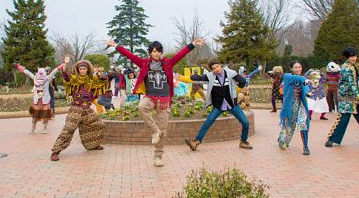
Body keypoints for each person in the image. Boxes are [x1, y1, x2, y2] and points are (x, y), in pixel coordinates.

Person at [107, 38, 204, 167]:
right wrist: (117, 46)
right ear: (150, 53)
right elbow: (129, 55)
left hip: (164, 100)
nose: (156, 54)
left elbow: (180, 54)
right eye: (154, 51)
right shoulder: (144, 63)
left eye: (158, 51)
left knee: (163, 131)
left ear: (161, 52)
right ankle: (154, 130)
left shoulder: (168, 64)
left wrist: (192, 45)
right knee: (142, 106)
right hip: (151, 98)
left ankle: (158, 156)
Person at [185, 59, 253, 151]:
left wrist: (238, 87)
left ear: (220, 65)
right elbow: (198, 78)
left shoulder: (231, 73)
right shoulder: (210, 76)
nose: (216, 69)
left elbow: (242, 81)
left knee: (245, 122)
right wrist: (183, 77)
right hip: (218, 106)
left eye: (217, 66)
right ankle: (196, 142)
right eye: (213, 68)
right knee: (208, 122)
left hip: (232, 105)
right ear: (212, 70)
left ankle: (243, 141)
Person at [50, 59, 109, 161]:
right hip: (75, 109)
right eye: (80, 69)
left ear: (87, 69)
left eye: (84, 69)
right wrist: (64, 71)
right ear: (78, 70)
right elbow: (67, 79)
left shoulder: (92, 79)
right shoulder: (74, 79)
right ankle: (55, 151)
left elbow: (102, 81)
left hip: (87, 109)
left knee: (98, 125)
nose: (82, 70)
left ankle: (92, 145)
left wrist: (102, 75)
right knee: (69, 128)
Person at [325, 47, 359, 147]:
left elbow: (357, 80)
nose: (354, 58)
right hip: (347, 98)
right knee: (343, 119)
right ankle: (331, 139)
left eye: (355, 56)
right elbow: (351, 85)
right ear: (346, 57)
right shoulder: (346, 69)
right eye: (351, 57)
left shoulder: (352, 66)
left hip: (355, 97)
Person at [278, 61, 312, 155]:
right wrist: (305, 80)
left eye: (300, 67)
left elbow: (305, 89)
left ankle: (305, 147)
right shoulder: (288, 77)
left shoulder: (303, 79)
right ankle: (282, 138)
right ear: (291, 69)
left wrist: (308, 94)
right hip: (290, 106)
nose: (298, 69)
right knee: (289, 126)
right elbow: (297, 79)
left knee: (303, 123)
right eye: (296, 67)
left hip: (301, 106)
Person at [15, 64, 60, 134]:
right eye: (40, 73)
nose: (41, 75)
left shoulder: (47, 78)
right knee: (34, 117)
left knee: (45, 116)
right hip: (37, 101)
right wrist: (23, 69)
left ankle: (45, 128)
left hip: (45, 100)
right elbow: (29, 74)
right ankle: (33, 128)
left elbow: (53, 72)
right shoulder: (35, 78)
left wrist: (59, 67)